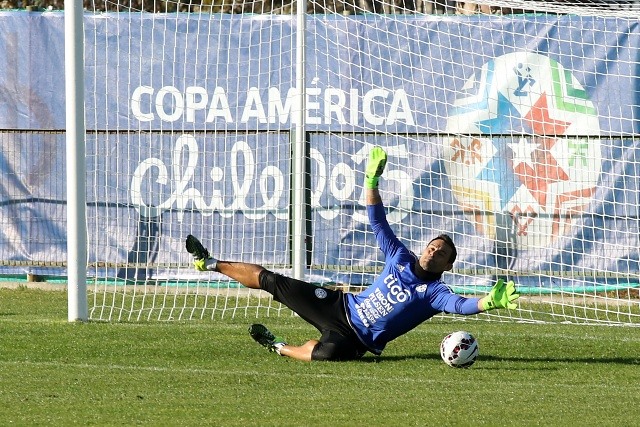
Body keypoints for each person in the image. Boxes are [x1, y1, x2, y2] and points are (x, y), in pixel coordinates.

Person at [186, 146, 519, 361]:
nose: (433, 251)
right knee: (272, 280)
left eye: (441, 252)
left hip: (357, 341)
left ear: (448, 264)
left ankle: (277, 346)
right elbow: (377, 219)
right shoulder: (400, 256)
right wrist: (372, 179)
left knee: (324, 355)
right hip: (338, 306)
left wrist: (488, 302)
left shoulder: (434, 293)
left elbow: (460, 305)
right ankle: (209, 262)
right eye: (432, 246)